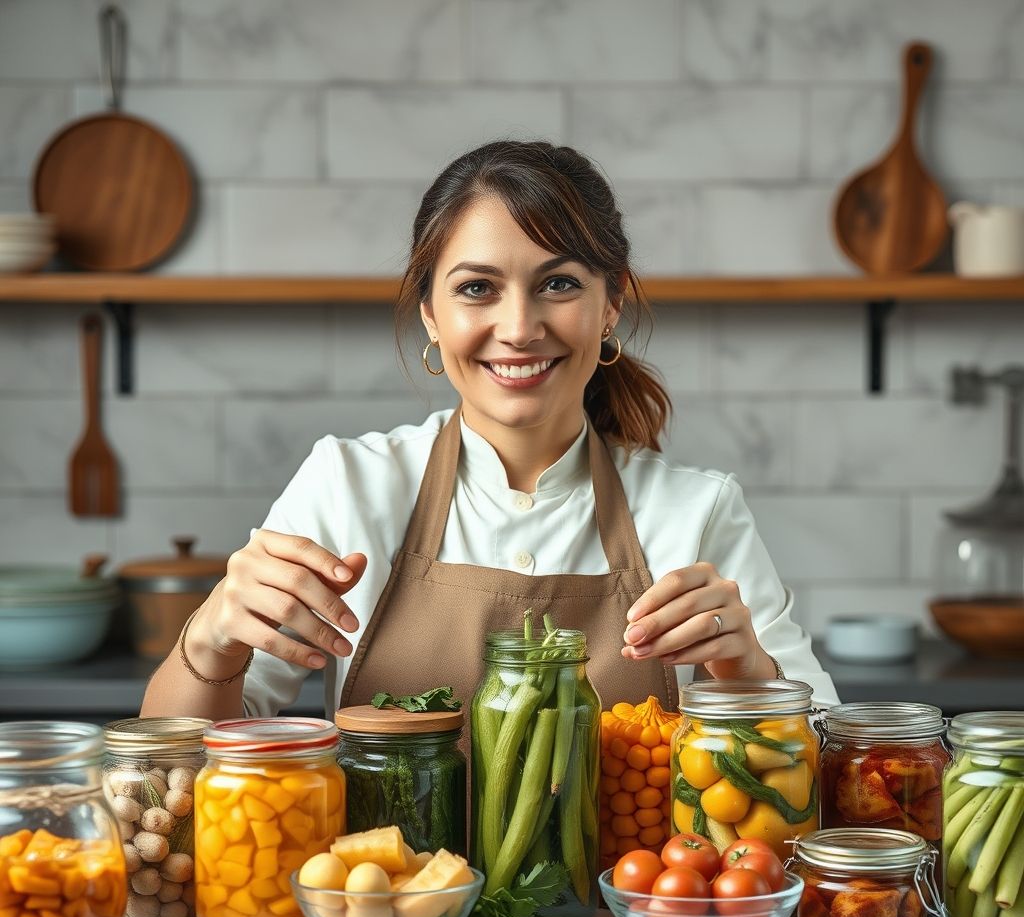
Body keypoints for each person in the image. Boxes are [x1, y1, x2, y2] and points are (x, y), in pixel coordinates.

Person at [141, 139, 838, 723]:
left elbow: (824, 765)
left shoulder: (695, 515)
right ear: (431, 315)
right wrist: (209, 644)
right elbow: (177, 778)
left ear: (610, 306)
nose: (518, 328)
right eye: (477, 288)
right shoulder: (348, 486)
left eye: (558, 284)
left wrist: (748, 673)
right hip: (388, 891)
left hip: (625, 894)